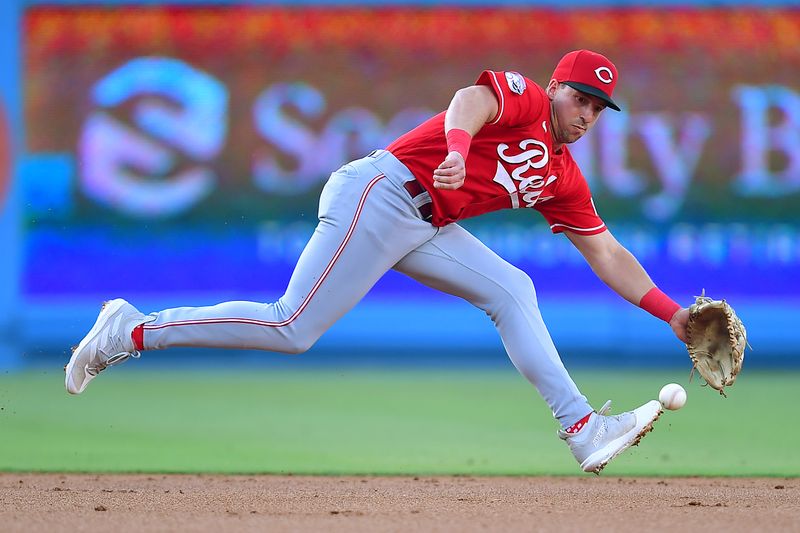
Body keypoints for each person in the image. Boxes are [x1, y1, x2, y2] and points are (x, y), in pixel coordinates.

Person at [65, 50, 690, 474]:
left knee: (512, 289)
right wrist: (456, 145)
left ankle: (582, 428)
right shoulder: (528, 101)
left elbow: (605, 251)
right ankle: (132, 329)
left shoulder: (563, 176)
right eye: (580, 97)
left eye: (597, 108)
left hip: (423, 223)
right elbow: (469, 99)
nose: (585, 115)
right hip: (382, 191)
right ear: (557, 87)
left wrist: (672, 316)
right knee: (292, 327)